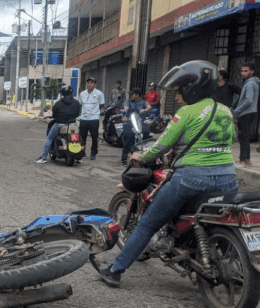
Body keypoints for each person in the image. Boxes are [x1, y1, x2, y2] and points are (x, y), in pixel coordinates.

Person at [99, 60, 237, 287]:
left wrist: (140, 157)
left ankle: (115, 270)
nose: (178, 97)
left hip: (191, 178)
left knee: (148, 224)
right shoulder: (226, 111)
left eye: (180, 91)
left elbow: (161, 146)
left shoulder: (186, 113)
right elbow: (226, 140)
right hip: (228, 179)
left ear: (192, 88)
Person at [36, 85, 82, 164]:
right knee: (78, 139)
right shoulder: (77, 103)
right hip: (73, 125)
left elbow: (54, 115)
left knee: (49, 138)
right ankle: (79, 158)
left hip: (60, 124)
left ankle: (43, 157)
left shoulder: (58, 103)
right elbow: (78, 114)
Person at [232, 61, 259, 166]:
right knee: (245, 137)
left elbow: (248, 100)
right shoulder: (252, 83)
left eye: (246, 71)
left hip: (246, 113)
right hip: (250, 112)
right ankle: (247, 160)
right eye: (242, 71)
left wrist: (237, 110)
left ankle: (242, 160)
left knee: (243, 138)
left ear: (251, 72)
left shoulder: (250, 84)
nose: (243, 73)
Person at [121, 87, 152, 165]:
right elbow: (126, 108)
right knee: (127, 140)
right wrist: (125, 112)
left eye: (133, 94)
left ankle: (144, 157)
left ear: (137, 95)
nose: (132, 95)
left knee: (146, 136)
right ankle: (124, 159)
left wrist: (144, 110)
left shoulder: (143, 102)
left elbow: (149, 107)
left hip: (140, 124)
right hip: (130, 123)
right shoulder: (128, 101)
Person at [78, 77, 105, 161]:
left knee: (94, 137)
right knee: (82, 137)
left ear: (95, 85)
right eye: (88, 83)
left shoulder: (99, 94)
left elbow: (101, 104)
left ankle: (93, 153)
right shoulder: (82, 94)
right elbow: (80, 105)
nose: (89, 84)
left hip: (94, 119)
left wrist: (95, 111)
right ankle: (82, 153)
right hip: (83, 119)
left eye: (91, 83)